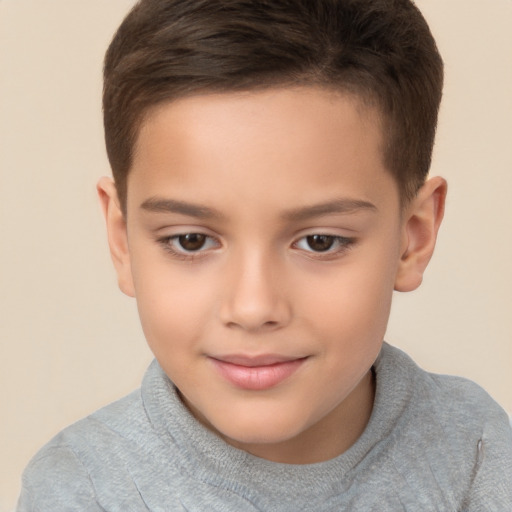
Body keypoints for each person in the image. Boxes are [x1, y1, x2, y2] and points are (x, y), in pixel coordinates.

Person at [16, 0, 512, 510]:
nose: (253, 308)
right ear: (122, 240)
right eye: (191, 240)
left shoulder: (476, 452)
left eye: (320, 241)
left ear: (413, 237)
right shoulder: (81, 490)